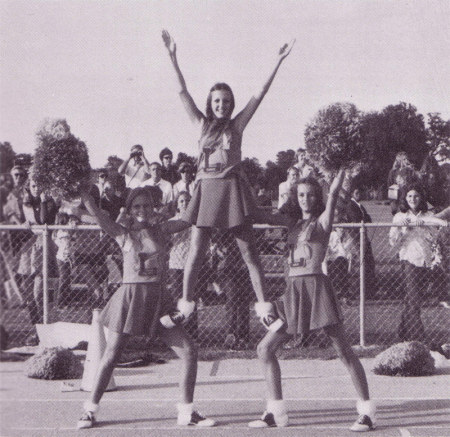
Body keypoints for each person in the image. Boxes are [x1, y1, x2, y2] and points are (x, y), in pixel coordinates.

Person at [162, 30, 295, 323]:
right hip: (206, 190)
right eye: (217, 101)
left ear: (231, 104)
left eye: (226, 101)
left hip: (232, 191)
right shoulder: (200, 124)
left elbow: (259, 94)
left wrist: (278, 61)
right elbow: (182, 92)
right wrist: (172, 57)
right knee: (195, 252)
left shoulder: (237, 126)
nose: (221, 105)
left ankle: (265, 311)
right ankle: (185, 306)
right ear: (211, 104)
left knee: (249, 254)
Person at [77, 187, 216, 429]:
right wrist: (84, 194)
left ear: (154, 208)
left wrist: (202, 185)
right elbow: (99, 216)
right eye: (137, 206)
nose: (142, 210)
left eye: (147, 205)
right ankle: (89, 410)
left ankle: (186, 412)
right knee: (111, 356)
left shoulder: (162, 230)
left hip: (159, 300)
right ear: (130, 210)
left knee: (190, 352)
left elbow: (187, 218)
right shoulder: (123, 233)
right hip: (130, 299)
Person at [253, 170, 376, 432]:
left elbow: (332, 195)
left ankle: (367, 412)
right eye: (300, 195)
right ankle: (276, 412)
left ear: (316, 198)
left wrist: (339, 168)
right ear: (295, 197)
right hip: (293, 291)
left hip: (316, 288)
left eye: (310, 195)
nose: (305, 199)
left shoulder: (321, 222)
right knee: (265, 350)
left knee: (344, 351)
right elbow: (259, 215)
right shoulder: (291, 223)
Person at [389, 183, 447, 342]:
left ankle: (402, 336)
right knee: (414, 303)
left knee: (411, 301)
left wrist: (426, 227)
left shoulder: (428, 215)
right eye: (409, 196)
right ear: (405, 198)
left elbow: (435, 237)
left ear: (421, 198)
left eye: (415, 196)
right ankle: (419, 340)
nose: (412, 199)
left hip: (425, 263)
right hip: (409, 261)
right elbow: (393, 242)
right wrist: (404, 229)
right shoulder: (400, 217)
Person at [345, 184, 377, 300]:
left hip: (364, 237)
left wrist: (364, 219)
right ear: (352, 194)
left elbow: (368, 218)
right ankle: (358, 292)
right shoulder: (351, 205)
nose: (359, 195)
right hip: (356, 238)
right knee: (360, 264)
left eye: (360, 193)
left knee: (369, 263)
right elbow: (356, 219)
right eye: (356, 193)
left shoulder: (360, 206)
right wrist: (363, 220)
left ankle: (369, 291)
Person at [52, 212, 80, 308]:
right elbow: (67, 235)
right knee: (64, 279)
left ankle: (66, 301)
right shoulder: (61, 231)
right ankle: (60, 302)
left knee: (67, 280)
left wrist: (73, 226)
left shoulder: (67, 231)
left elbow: (73, 238)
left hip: (68, 258)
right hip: (62, 258)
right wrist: (72, 227)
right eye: (67, 220)